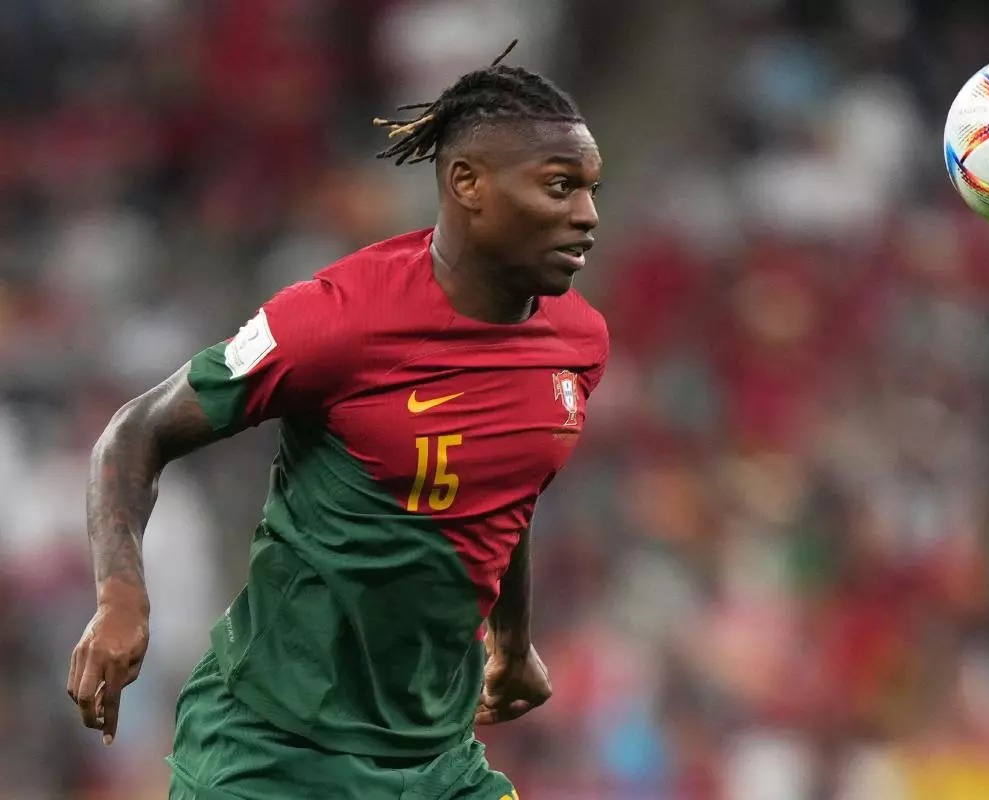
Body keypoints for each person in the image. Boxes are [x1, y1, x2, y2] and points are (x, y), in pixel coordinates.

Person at [66, 41, 607, 799]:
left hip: (438, 761)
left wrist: (513, 644)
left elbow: (507, 489)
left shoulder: (579, 341)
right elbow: (136, 431)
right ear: (468, 183)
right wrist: (121, 598)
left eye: (590, 190)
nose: (586, 215)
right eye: (559, 187)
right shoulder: (336, 320)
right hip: (272, 754)